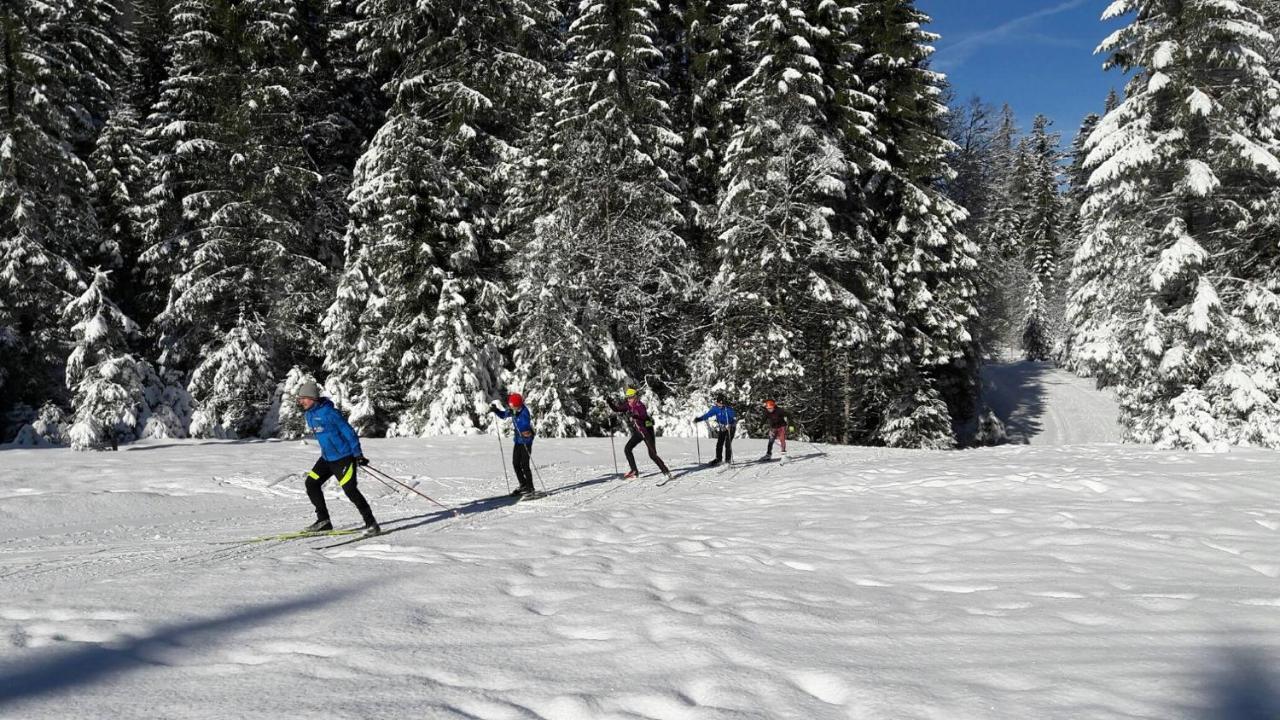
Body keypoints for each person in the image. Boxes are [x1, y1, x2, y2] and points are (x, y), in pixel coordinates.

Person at [297, 381, 380, 535]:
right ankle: (324, 521)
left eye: (303, 398)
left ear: (312, 398)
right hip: (327, 459)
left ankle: (371, 523)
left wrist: (357, 454)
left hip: (344, 458)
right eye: (299, 399)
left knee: (350, 490)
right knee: (311, 483)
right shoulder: (309, 415)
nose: (300, 401)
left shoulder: (330, 414)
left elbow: (349, 432)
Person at [606, 387, 671, 480]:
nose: (629, 399)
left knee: (652, 454)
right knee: (627, 449)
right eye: (627, 397)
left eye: (631, 397)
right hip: (639, 432)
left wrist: (634, 415)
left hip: (647, 432)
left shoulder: (640, 406)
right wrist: (610, 403)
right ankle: (634, 471)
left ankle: (666, 472)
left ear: (635, 397)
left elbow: (643, 416)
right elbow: (617, 409)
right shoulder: (629, 405)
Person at [490, 392, 537, 497]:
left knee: (525, 465)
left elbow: (525, 425)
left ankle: (530, 488)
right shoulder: (513, 409)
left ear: (518, 405)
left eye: (513, 406)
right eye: (511, 406)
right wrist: (496, 411)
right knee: (515, 463)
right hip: (517, 441)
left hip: (526, 442)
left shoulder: (524, 412)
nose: (511, 408)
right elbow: (504, 415)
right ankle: (523, 484)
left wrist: (524, 430)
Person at [693, 394, 737, 465]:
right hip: (722, 427)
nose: (719, 405)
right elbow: (707, 415)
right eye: (718, 403)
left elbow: (734, 419)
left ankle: (727, 460)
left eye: (721, 403)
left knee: (728, 444)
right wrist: (699, 419)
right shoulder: (715, 409)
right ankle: (718, 459)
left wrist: (731, 424)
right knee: (719, 443)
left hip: (730, 427)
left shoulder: (728, 409)